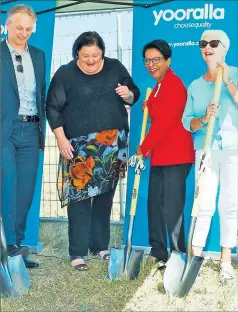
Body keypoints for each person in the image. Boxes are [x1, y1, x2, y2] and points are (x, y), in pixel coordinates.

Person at [46, 31, 140, 271]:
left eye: (95, 56)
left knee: (105, 197)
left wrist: (127, 94)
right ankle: (77, 252)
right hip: (79, 146)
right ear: (77, 52)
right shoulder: (65, 73)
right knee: (79, 199)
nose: (90, 60)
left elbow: (134, 93)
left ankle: (101, 245)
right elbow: (53, 108)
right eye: (85, 55)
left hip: (112, 146)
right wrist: (61, 139)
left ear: (102, 53)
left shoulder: (115, 67)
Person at [182, 29, 238, 280]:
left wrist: (227, 81)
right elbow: (187, 123)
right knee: (202, 203)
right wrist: (204, 118)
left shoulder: (235, 74)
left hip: (233, 150)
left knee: (229, 204)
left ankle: (226, 258)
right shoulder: (195, 85)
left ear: (224, 48)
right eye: (203, 43)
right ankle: (195, 255)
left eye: (214, 43)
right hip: (205, 149)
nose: (208, 47)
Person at [136, 40, 194, 267]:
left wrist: (145, 146)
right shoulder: (159, 85)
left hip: (176, 155)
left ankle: (178, 254)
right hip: (162, 155)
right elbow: (158, 114)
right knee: (155, 204)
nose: (151, 64)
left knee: (172, 206)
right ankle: (159, 251)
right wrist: (149, 105)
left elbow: (165, 123)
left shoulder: (173, 84)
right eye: (147, 60)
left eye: (156, 60)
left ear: (167, 61)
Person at [1, 5, 46, 268]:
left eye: (29, 29)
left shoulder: (38, 55)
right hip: (5, 130)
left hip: (31, 130)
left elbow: (41, 93)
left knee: (25, 191)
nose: (24, 33)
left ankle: (15, 247)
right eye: (19, 27)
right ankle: (3, 249)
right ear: (7, 24)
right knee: (7, 188)